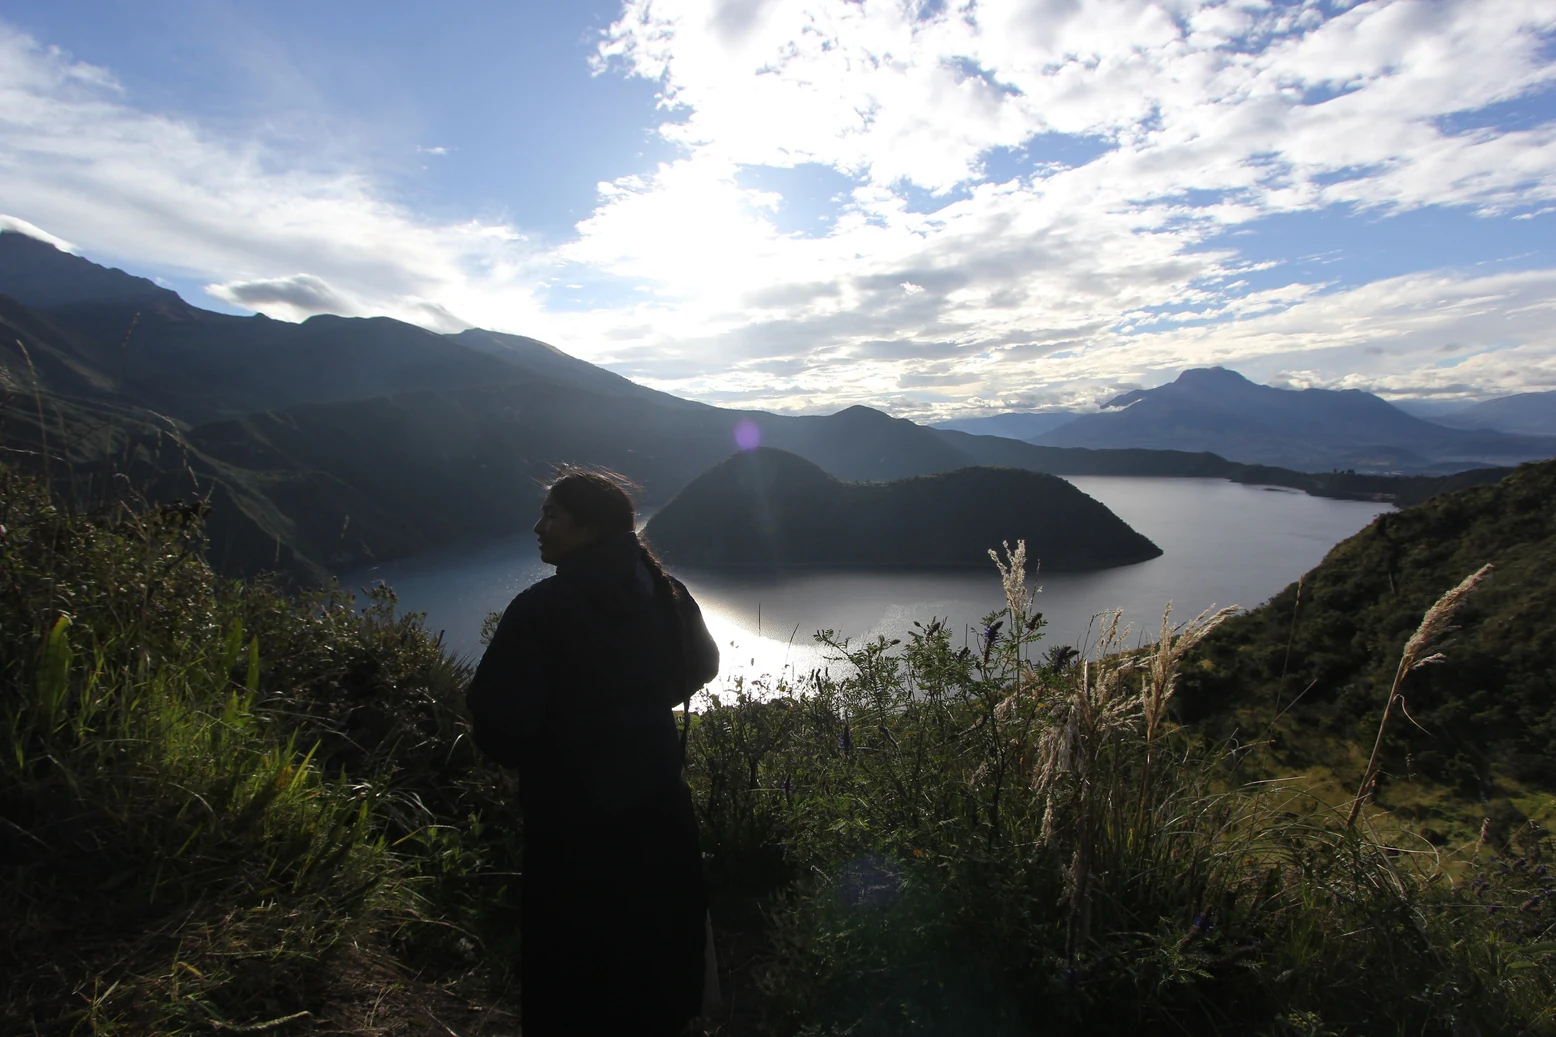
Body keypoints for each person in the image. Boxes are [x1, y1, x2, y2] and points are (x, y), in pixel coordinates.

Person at [465, 468, 720, 1036]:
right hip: (659, 804)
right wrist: (643, 710)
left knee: (575, 966)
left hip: (570, 819)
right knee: (654, 951)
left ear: (587, 529)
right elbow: (701, 667)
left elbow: (498, 721)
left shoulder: (541, 610)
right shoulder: (666, 592)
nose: (538, 527)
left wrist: (550, 747)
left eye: (552, 516)